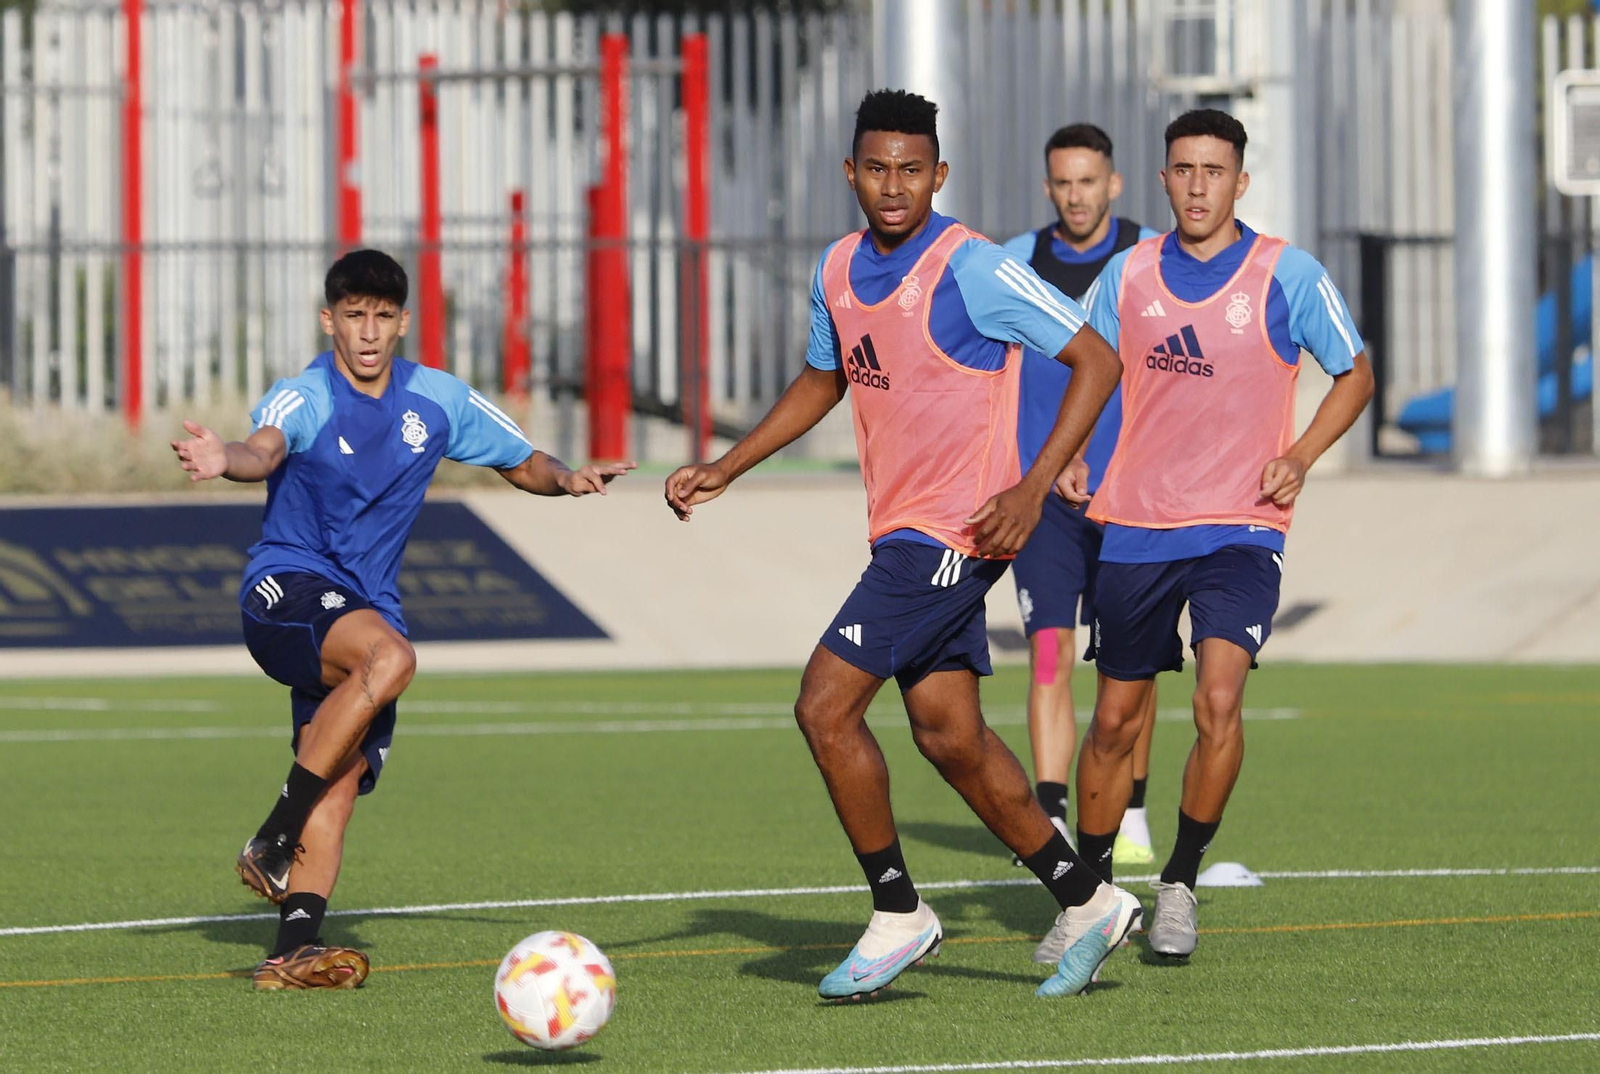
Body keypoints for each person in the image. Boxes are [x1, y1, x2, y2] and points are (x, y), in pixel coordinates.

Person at [665, 89, 1138, 1002]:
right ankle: (1086, 900)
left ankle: (897, 910)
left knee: (823, 706)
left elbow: (1098, 361)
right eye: (877, 169)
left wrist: (1032, 488)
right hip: (902, 530)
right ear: (850, 172)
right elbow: (823, 378)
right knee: (949, 736)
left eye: (911, 170)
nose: (894, 186)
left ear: (939, 175)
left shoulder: (975, 267)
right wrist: (729, 465)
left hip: (956, 530)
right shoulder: (838, 268)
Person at [171, 249, 633, 990]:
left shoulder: (439, 400)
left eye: (383, 317)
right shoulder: (305, 394)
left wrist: (569, 478)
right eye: (353, 315)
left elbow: (520, 459)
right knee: (393, 661)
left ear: (403, 323)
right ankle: (273, 837)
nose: (368, 332)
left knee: (341, 777)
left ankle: (289, 952)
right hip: (285, 589)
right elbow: (262, 448)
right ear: (329, 320)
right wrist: (221, 457)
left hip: (362, 611)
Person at [1075, 109, 1374, 958]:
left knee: (1217, 699)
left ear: (1241, 182)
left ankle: (1178, 884)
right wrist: (1066, 458)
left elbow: (1354, 372)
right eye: (1183, 169)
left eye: (1214, 171)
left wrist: (1303, 455)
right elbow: (1083, 368)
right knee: (1114, 725)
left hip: (1242, 526)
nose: (1198, 185)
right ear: (1163, 179)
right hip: (1133, 523)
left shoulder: (1288, 273)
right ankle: (1089, 895)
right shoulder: (1126, 274)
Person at [999, 124, 1162, 870]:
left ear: (1114, 183)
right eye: (1063, 183)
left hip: (1131, 496)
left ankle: (1131, 809)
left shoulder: (1150, 262)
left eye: (1088, 181)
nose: (1076, 196)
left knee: (1130, 661)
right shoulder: (1012, 264)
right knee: (1047, 656)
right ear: (1047, 187)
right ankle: (1055, 815)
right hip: (1042, 501)